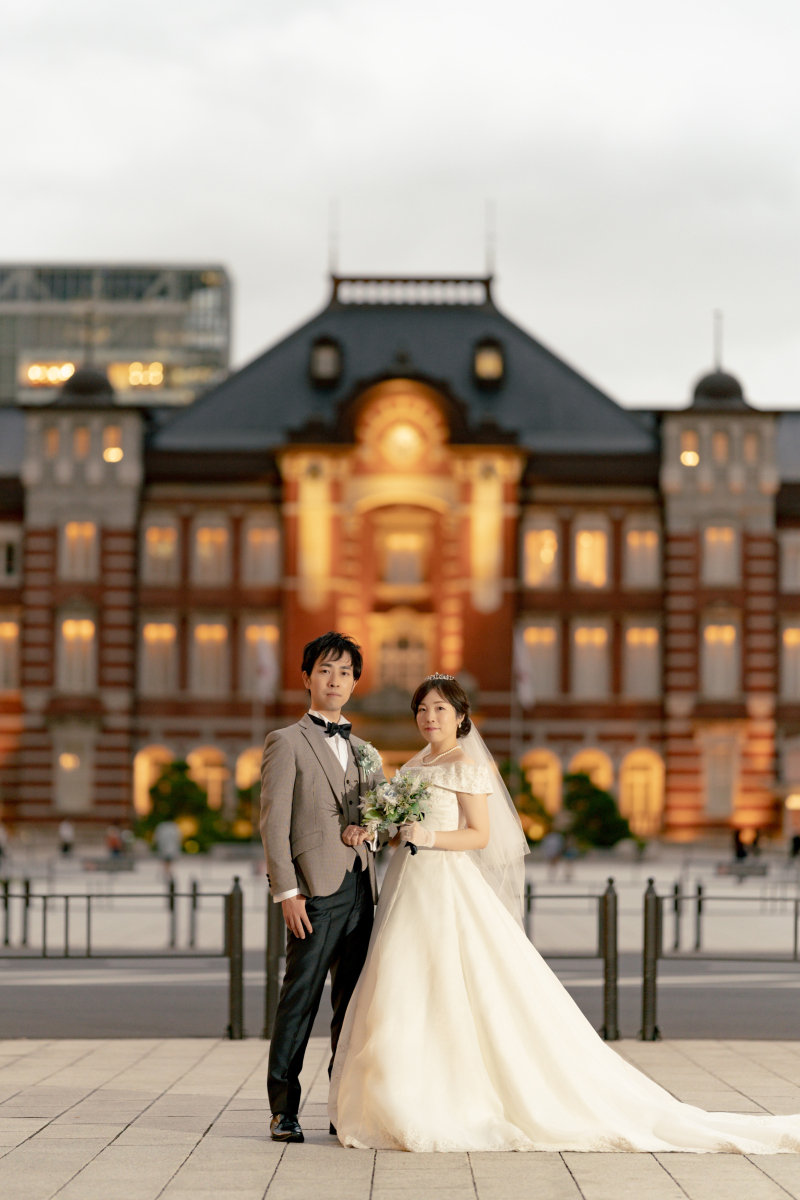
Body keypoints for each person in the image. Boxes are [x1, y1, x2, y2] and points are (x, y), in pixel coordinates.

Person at [329, 674, 800, 1154]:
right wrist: (378, 830)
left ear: (461, 716)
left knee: (452, 984)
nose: (429, 718)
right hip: (407, 885)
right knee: (403, 985)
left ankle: (447, 1096)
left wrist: (427, 837)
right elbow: (400, 829)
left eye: (439, 710)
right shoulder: (411, 766)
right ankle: (399, 1094)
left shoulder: (465, 766)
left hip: (446, 883)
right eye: (422, 710)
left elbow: (480, 836)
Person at [260, 632, 386, 1145]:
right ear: (308, 676)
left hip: (362, 889)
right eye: (326, 670)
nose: (335, 680)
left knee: (352, 1006)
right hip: (313, 892)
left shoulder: (366, 750)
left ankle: (341, 1106)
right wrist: (286, 893)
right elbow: (273, 824)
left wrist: (373, 828)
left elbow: (383, 817)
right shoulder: (285, 741)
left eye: (345, 672)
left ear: (355, 683)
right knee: (301, 1000)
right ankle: (283, 1110)